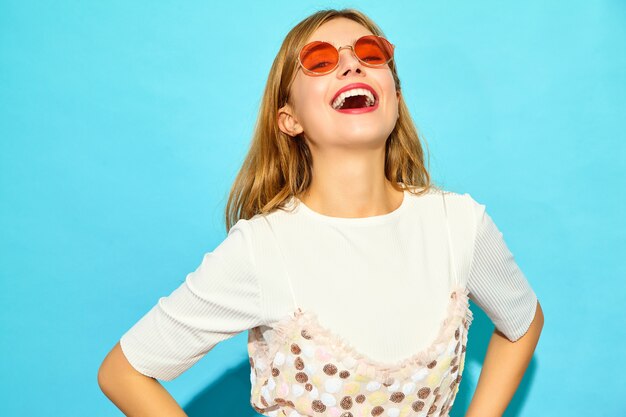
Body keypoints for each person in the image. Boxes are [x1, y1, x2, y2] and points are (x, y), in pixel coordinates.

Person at [98, 8, 543, 417]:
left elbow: (523, 322)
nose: (353, 65)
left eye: (371, 53)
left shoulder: (459, 226)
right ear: (289, 118)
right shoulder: (263, 249)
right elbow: (123, 371)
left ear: (395, 94)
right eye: (319, 60)